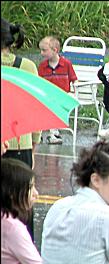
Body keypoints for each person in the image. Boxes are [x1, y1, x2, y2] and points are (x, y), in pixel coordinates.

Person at [1, 17, 40, 240]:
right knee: (21, 204)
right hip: (19, 143)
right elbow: (35, 107)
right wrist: (34, 143)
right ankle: (24, 251)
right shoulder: (27, 67)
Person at [38, 35, 78, 144]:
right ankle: (40, 132)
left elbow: (74, 80)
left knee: (54, 104)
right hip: (48, 96)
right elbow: (39, 83)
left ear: (55, 50)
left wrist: (76, 92)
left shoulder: (66, 64)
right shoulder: (42, 66)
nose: (41, 53)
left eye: (44, 50)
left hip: (63, 95)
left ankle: (53, 133)